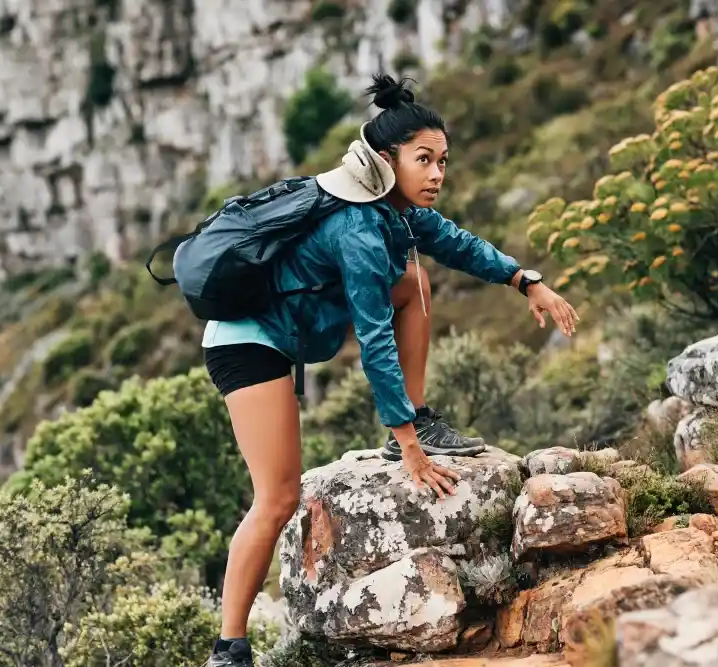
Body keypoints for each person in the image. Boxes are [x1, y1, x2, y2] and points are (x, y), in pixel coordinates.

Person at [203, 73, 579, 667]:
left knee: (415, 277)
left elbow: (456, 242)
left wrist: (524, 280)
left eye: (443, 161)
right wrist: (405, 444)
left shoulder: (393, 211)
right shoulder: (356, 226)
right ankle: (229, 648)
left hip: (284, 333)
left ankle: (420, 415)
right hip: (247, 341)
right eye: (423, 160)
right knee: (276, 497)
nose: (437, 174)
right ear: (385, 160)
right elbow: (374, 338)